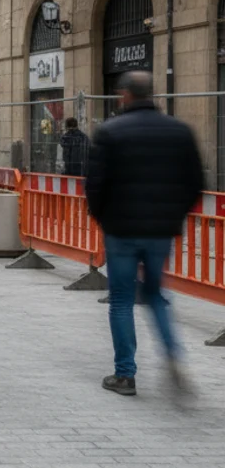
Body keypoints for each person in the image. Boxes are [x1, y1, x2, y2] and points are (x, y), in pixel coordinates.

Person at [87, 71, 203, 396]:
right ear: (152, 94)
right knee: (155, 295)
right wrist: (173, 215)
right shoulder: (179, 131)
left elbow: (94, 185)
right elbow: (195, 182)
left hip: (121, 230)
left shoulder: (109, 132)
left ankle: (125, 375)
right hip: (159, 231)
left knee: (122, 300)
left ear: (125, 95)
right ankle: (173, 355)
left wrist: (104, 218)